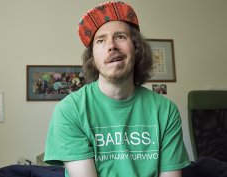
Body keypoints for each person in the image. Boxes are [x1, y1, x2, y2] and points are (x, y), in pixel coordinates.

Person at [44, 1, 190, 177]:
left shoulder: (166, 111)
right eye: (101, 40)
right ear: (92, 59)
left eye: (120, 36)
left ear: (136, 49)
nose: (111, 45)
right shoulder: (69, 111)